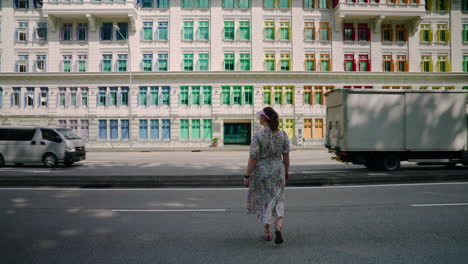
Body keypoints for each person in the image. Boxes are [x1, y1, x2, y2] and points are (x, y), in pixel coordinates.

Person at [244, 107, 291, 244]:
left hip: (262, 172)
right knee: (278, 199)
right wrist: (286, 171)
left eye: (260, 116)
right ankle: (278, 226)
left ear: (264, 118)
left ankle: (267, 231)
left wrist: (247, 175)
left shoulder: (258, 135)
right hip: (278, 171)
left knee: (266, 201)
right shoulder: (282, 134)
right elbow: (286, 156)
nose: (259, 118)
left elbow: (253, 157)